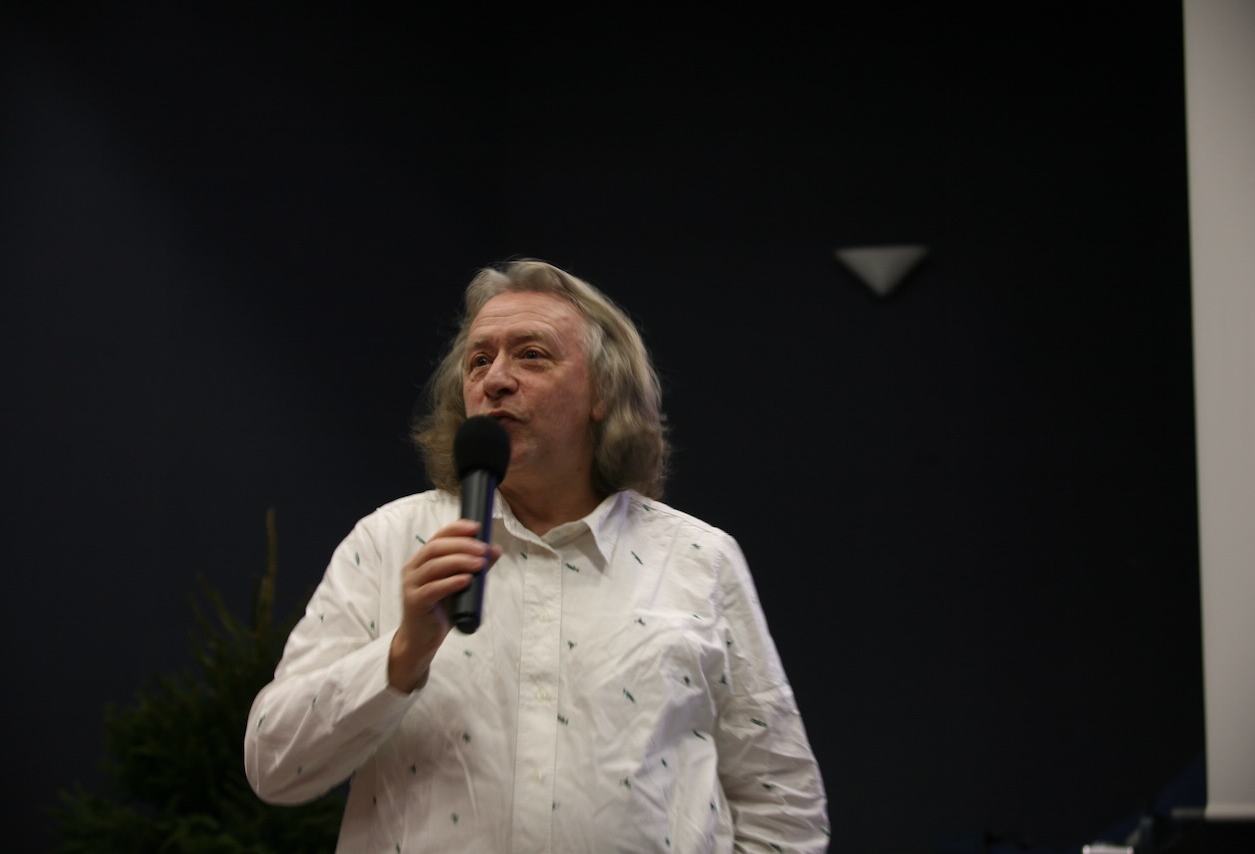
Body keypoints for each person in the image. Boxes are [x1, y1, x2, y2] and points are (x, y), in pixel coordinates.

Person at [244, 258, 830, 852]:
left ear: (603, 392)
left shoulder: (700, 559)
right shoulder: (388, 541)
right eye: (479, 361)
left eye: (531, 355)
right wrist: (403, 654)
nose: (496, 379)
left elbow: (784, 805)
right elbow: (273, 765)